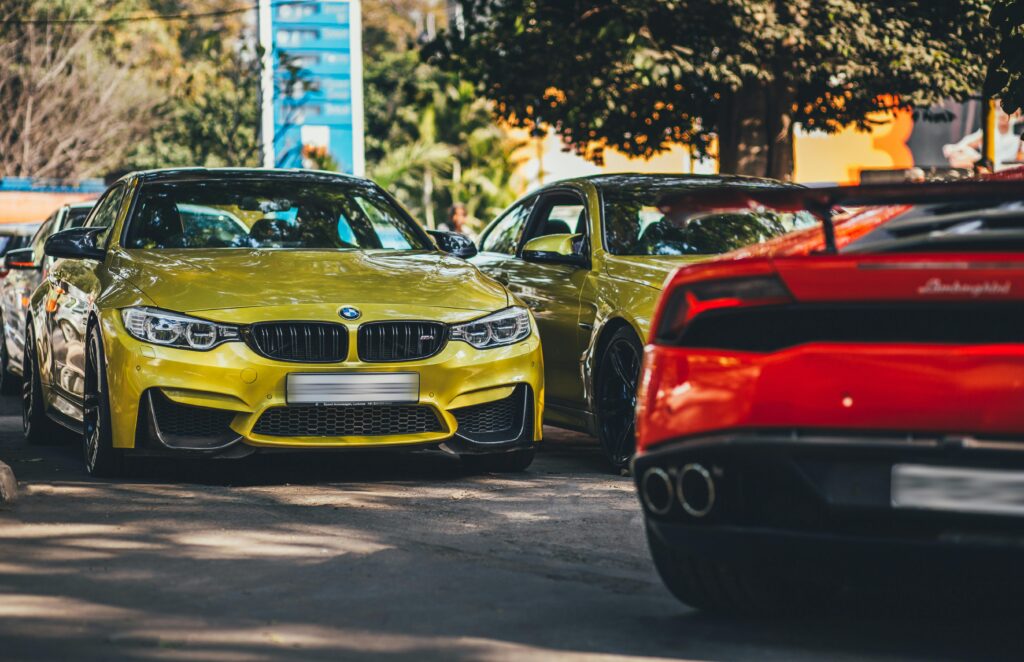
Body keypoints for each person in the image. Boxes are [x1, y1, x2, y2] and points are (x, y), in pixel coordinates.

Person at [943, 107, 1024, 170]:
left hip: (1008, 169)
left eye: (1006, 109)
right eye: (998, 109)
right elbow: (950, 149)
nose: (1002, 113)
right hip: (987, 168)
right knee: (956, 157)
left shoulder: (1018, 133)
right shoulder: (987, 132)